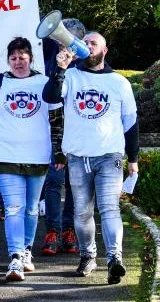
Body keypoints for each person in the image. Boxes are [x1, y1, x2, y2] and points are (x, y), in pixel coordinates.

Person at [42, 32, 139, 284]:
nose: (88, 46)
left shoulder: (119, 83)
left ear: (104, 51)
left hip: (110, 156)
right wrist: (60, 67)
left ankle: (114, 259)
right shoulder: (71, 76)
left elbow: (130, 123)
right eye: (84, 43)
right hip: (78, 156)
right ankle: (88, 256)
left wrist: (133, 158)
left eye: (93, 43)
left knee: (108, 208)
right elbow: (50, 97)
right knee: (82, 213)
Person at [0, 37, 64, 282]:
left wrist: (59, 151)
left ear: (31, 59)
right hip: (4, 155)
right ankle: (14, 257)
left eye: (22, 57)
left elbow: (57, 121)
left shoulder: (44, 83)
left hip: (37, 157)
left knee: (31, 209)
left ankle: (27, 251)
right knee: (13, 208)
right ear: (8, 60)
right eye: (13, 58)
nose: (18, 62)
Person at [40, 18, 86, 256]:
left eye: (66, 39)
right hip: (52, 130)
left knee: (74, 184)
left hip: (78, 135)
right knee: (54, 181)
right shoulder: (50, 62)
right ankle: (52, 231)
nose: (61, 45)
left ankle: (69, 230)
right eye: (59, 40)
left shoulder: (87, 65)